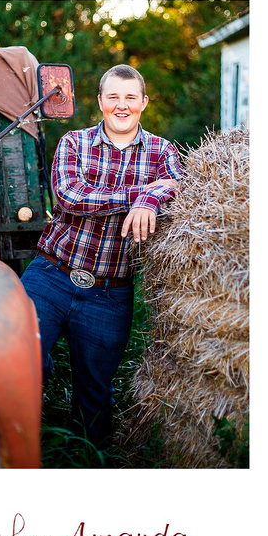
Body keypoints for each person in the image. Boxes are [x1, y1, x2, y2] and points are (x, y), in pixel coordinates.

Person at [19, 64, 182, 448]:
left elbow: (177, 186)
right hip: (51, 276)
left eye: (130, 97)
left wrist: (155, 196)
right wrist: (139, 195)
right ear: (100, 102)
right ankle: (19, 449)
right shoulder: (74, 142)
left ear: (143, 102)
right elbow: (70, 197)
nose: (121, 106)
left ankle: (82, 462)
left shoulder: (162, 150)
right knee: (18, 359)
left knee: (95, 393)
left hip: (110, 291)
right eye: (113, 97)